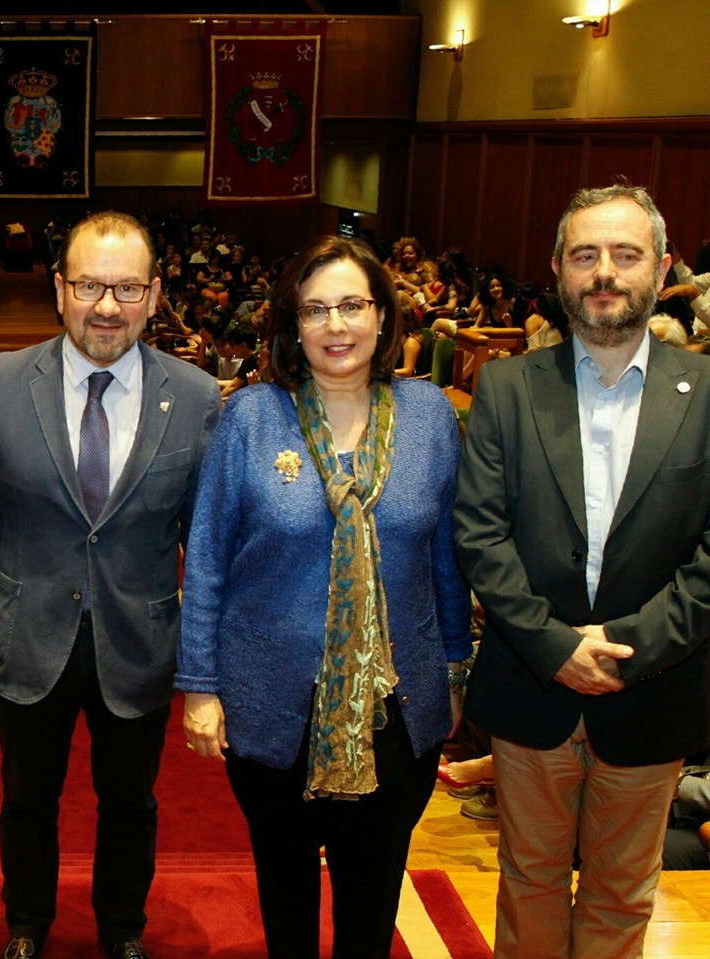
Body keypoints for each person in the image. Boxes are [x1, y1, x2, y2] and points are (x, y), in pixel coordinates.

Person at [177, 236, 472, 959]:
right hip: (272, 706)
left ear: (383, 316)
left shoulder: (430, 414)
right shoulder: (250, 419)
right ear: (292, 324)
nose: (335, 325)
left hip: (394, 711)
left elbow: (448, 555)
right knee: (285, 890)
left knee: (372, 899)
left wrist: (457, 667)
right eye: (316, 309)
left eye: (352, 305)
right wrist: (199, 686)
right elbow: (208, 558)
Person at [0, 211, 222, 959]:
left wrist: (203, 667)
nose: (106, 305)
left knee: (131, 803)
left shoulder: (195, 396)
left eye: (126, 287)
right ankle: (27, 923)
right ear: (60, 288)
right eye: (91, 284)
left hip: (141, 639)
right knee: (27, 801)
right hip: (27, 634)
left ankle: (122, 929)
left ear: (156, 294)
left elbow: (210, 544)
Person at [454, 183, 710, 959]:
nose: (605, 272)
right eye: (586, 255)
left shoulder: (704, 396)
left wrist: (628, 644)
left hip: (653, 688)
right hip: (533, 686)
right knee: (527, 880)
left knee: (621, 894)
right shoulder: (505, 385)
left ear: (662, 268)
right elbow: (480, 533)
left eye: (626, 255)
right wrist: (556, 646)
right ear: (559, 268)